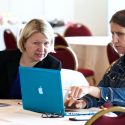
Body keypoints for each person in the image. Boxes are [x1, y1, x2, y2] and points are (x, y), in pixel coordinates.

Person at [65, 9, 125, 109]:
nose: (114, 40)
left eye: (120, 34)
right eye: (112, 34)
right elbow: (101, 94)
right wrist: (83, 102)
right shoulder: (119, 64)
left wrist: (91, 89)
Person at [0, 18, 61, 99]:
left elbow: (49, 99)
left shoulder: (53, 65)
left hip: (32, 111)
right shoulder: (3, 58)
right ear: (24, 42)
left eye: (46, 43)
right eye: (36, 43)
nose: (42, 49)